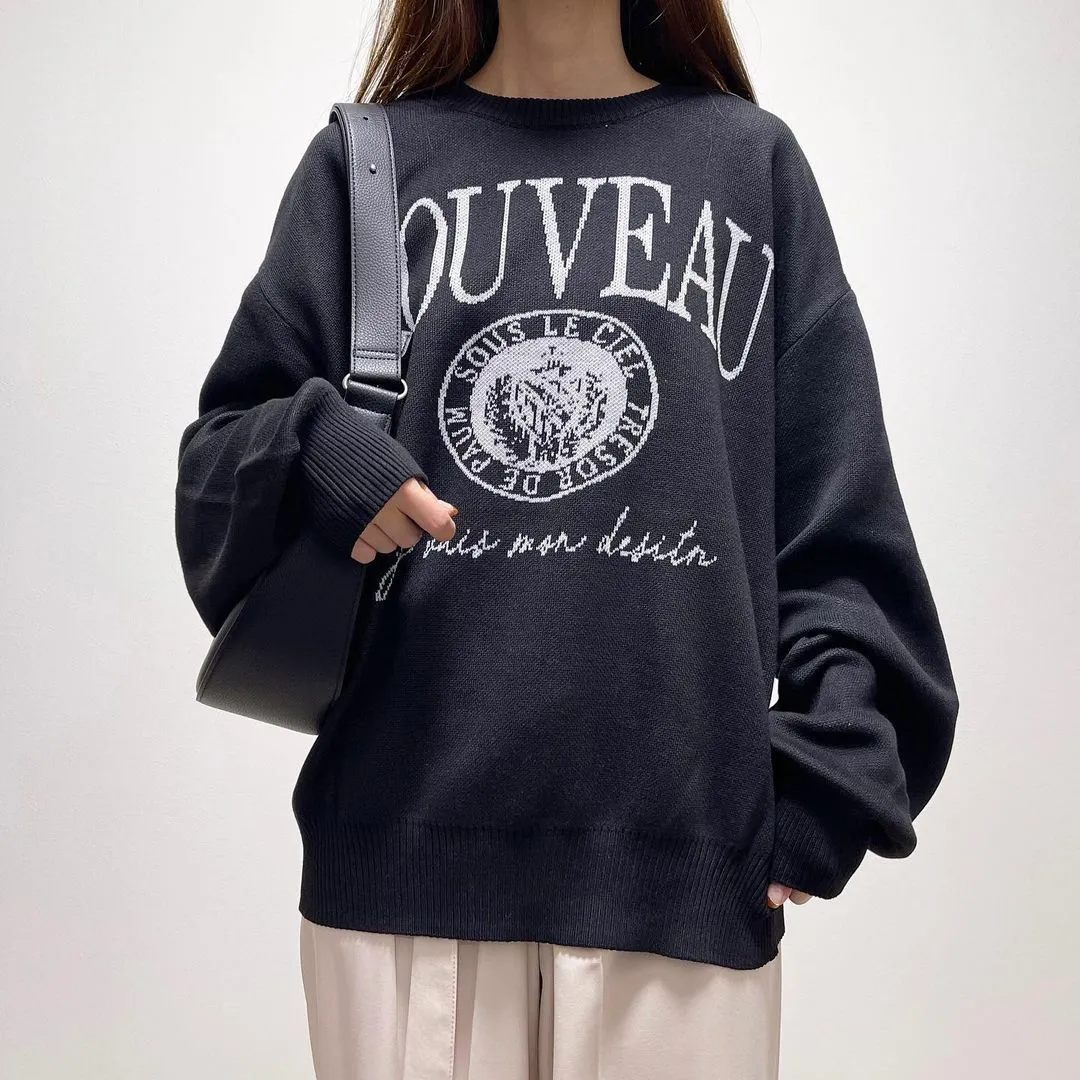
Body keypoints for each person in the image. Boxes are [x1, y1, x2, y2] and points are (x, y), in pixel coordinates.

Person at [174, 0, 960, 1076]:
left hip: (684, 877)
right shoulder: (365, 166)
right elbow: (218, 472)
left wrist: (830, 780)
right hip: (403, 866)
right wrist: (327, 450)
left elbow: (842, 520)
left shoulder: (748, 166)